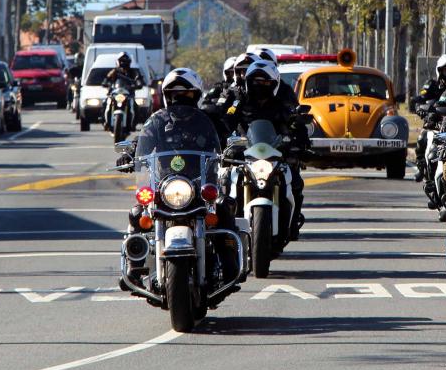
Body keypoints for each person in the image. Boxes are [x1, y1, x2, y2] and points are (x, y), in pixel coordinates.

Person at [115, 68, 240, 284]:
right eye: (174, 95)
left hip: (201, 183)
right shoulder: (157, 122)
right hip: (165, 184)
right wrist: (130, 154)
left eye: (187, 95)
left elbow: (226, 138)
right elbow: (142, 140)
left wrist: (233, 150)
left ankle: (230, 265)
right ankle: (134, 267)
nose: (180, 99)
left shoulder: (209, 119)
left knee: (223, 206)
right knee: (138, 213)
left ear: (197, 95)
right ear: (166, 96)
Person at [224, 60, 307, 241]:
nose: (260, 86)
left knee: (295, 181)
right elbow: (226, 121)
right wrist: (224, 140)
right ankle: (225, 229)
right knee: (225, 181)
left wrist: (299, 140)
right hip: (245, 154)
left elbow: (295, 123)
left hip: (274, 154)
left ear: (274, 84)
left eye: (265, 82)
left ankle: (292, 226)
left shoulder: (282, 105)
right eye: (255, 82)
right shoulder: (240, 102)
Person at [414, 54, 446, 181]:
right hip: (434, 122)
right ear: (440, 70)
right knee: (422, 138)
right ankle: (421, 167)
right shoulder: (431, 84)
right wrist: (420, 109)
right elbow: (419, 100)